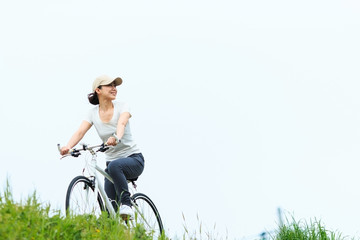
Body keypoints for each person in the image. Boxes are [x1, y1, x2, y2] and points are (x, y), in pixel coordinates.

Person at [60, 74, 144, 219]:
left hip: (134, 160)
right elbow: (80, 132)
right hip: (112, 166)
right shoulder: (92, 113)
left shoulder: (122, 106)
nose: (114, 88)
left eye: (115, 86)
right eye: (110, 85)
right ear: (98, 90)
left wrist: (116, 137)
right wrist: (68, 147)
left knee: (114, 167)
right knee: (109, 211)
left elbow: (122, 123)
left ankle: (127, 204)